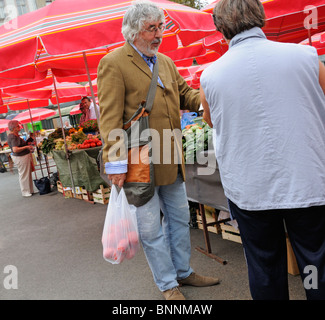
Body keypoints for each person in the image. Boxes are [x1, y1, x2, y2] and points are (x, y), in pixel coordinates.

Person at [200, 0, 325, 300]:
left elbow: (209, 119)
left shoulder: (211, 76)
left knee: (265, 266)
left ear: (221, 30)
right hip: (306, 179)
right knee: (315, 263)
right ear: (261, 17)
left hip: (250, 188)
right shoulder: (304, 56)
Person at [97, 1, 220, 300]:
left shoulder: (164, 61)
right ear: (133, 31)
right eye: (151, 28)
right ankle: (167, 284)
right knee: (151, 229)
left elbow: (185, 94)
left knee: (179, 220)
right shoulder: (114, 62)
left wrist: (209, 98)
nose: (158, 34)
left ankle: (183, 272)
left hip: (170, 157)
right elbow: (110, 118)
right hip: (139, 164)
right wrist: (115, 165)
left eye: (160, 27)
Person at [7, 120, 35, 197]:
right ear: (13, 127)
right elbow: (15, 149)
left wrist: (30, 139)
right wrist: (26, 147)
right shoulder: (12, 136)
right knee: (24, 174)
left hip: (22, 156)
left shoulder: (16, 135)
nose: (19, 127)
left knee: (27, 173)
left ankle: (29, 190)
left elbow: (21, 145)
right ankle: (25, 191)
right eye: (18, 126)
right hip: (20, 157)